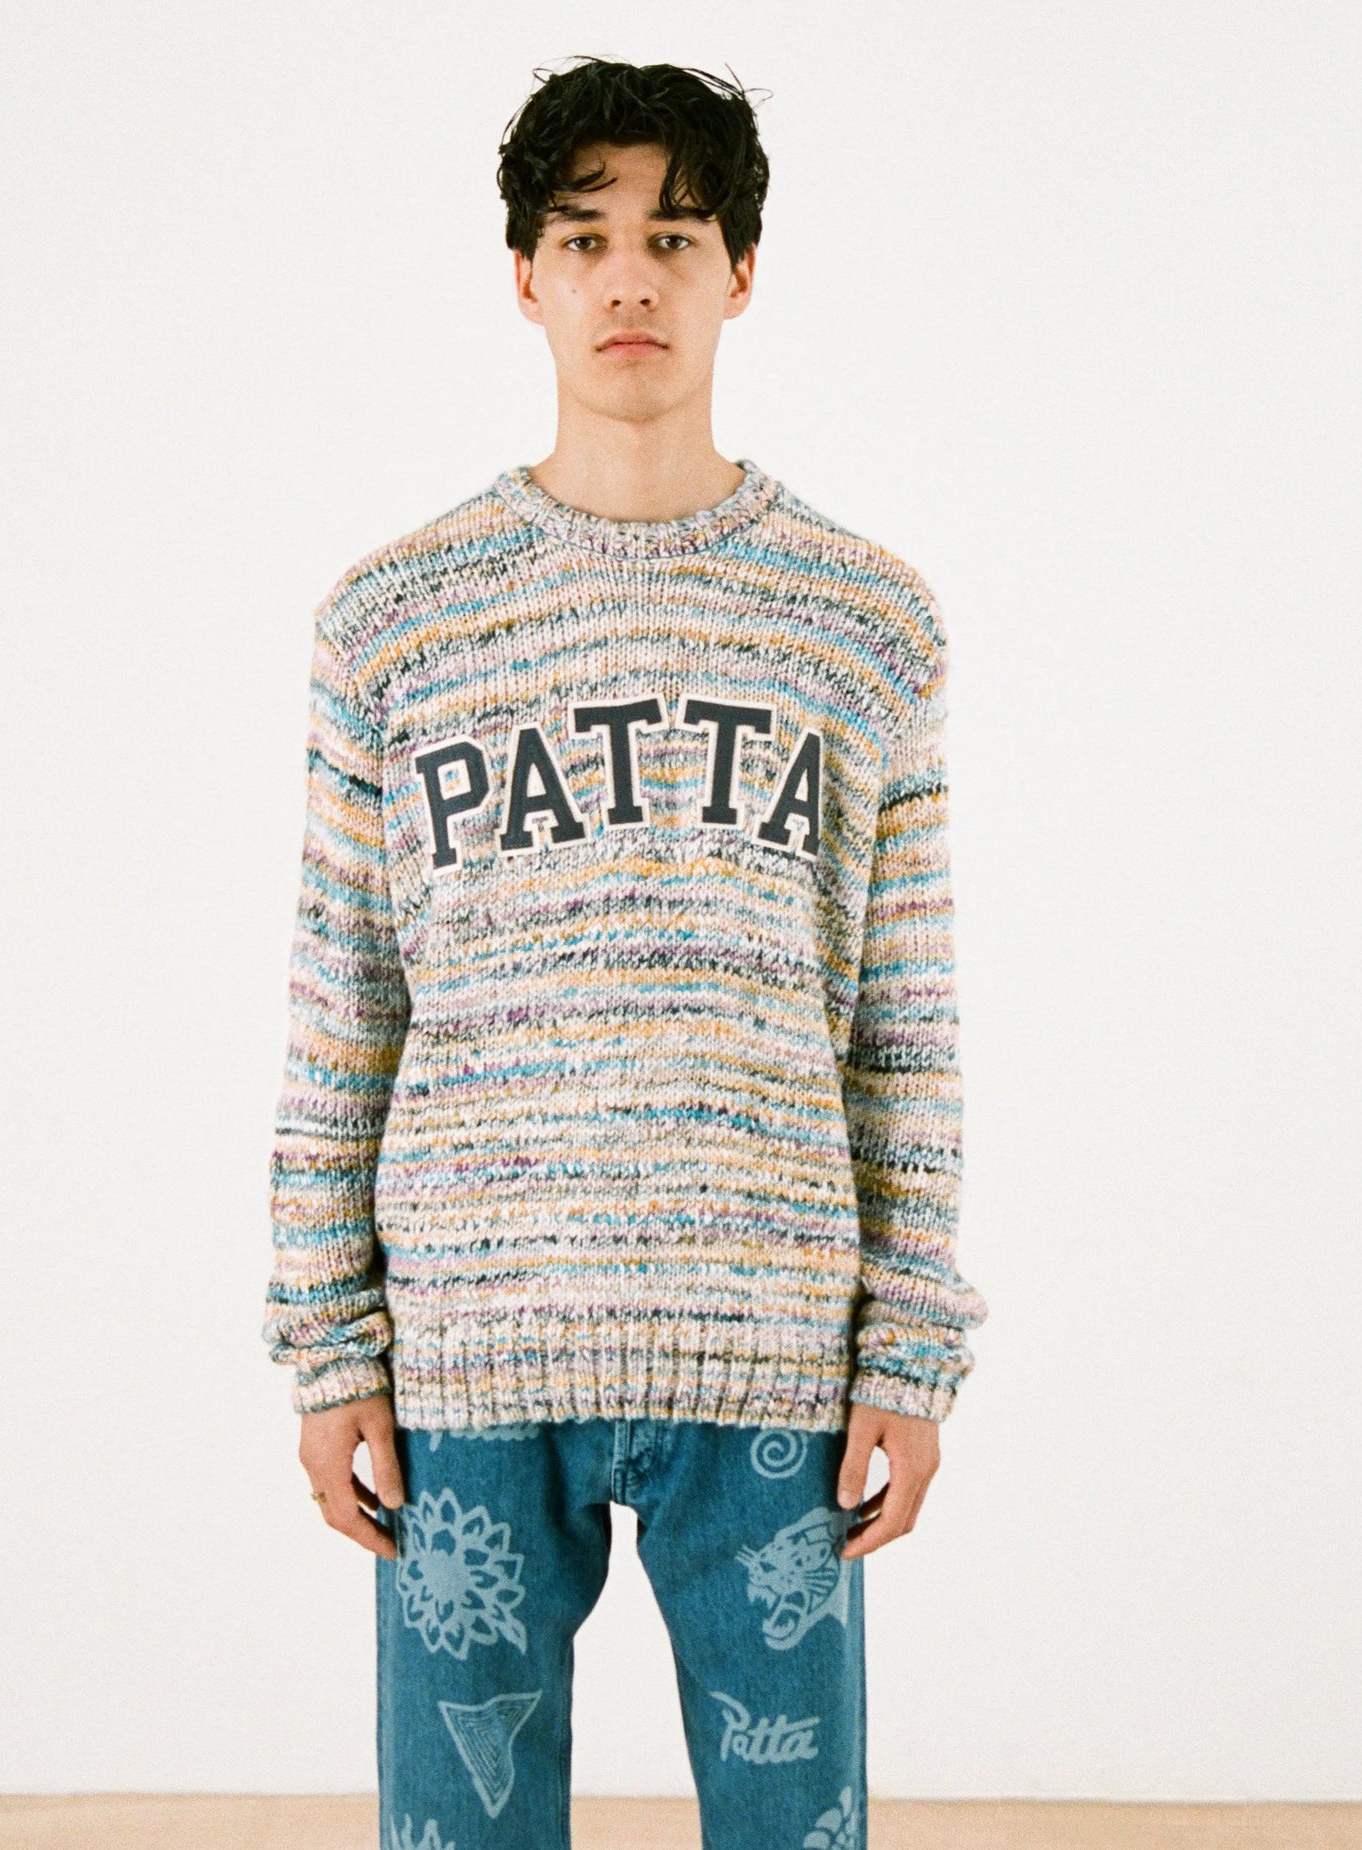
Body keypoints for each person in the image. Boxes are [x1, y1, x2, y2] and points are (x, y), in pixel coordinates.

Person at [263, 56, 988, 1850]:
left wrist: (909, 1347)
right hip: (468, 1351)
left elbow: (902, 1025)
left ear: (743, 270)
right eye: (585, 238)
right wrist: (327, 1342)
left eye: (674, 236)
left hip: (774, 1346)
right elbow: (343, 1007)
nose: (629, 280)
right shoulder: (394, 620)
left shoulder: (867, 621)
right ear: (526, 276)